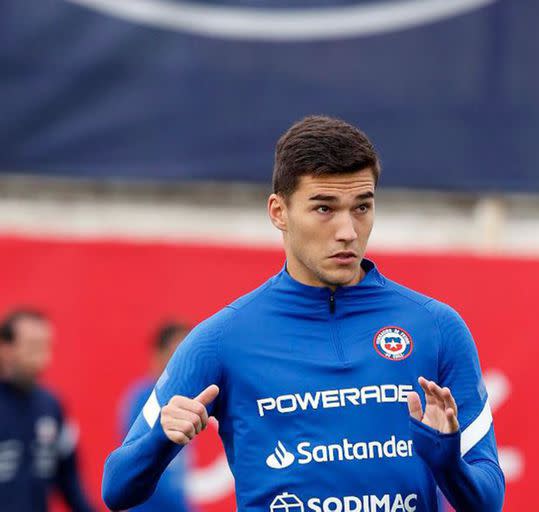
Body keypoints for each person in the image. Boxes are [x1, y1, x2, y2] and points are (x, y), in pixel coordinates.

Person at [102, 116, 505, 512]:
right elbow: (116, 489)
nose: (348, 230)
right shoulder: (220, 339)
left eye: (362, 207)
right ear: (279, 212)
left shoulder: (436, 327)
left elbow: (489, 500)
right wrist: (160, 442)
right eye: (325, 208)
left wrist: (447, 461)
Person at [0, 308, 95, 512]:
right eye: (33, 345)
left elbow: (69, 480)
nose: (42, 355)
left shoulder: (51, 406)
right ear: (5, 348)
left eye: (46, 346)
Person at [118, 322, 196, 512]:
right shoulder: (146, 400)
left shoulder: (179, 399)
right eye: (177, 353)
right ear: (158, 354)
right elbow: (146, 466)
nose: (184, 362)